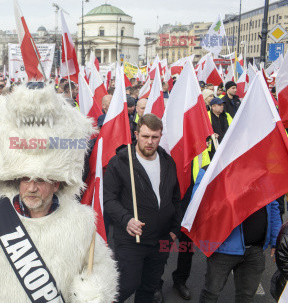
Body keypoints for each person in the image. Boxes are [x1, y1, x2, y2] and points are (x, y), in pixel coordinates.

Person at [0, 82, 118, 303]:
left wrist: (96, 292)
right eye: (25, 179)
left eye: (40, 180)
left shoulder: (81, 222)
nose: (31, 187)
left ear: (57, 182)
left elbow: (101, 268)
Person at [104, 114, 182, 303]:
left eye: (154, 137)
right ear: (136, 134)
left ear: (160, 136)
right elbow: (108, 200)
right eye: (145, 136)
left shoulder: (167, 161)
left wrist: (174, 230)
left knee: (149, 288)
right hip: (132, 240)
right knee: (126, 285)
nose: (150, 142)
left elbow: (175, 198)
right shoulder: (120, 162)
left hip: (162, 240)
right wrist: (126, 220)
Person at [198, 168, 281, 303]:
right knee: (211, 293)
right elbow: (199, 207)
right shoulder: (213, 171)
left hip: (255, 250)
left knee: (246, 296)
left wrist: (275, 240)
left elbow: (273, 207)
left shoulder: (264, 173)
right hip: (223, 249)